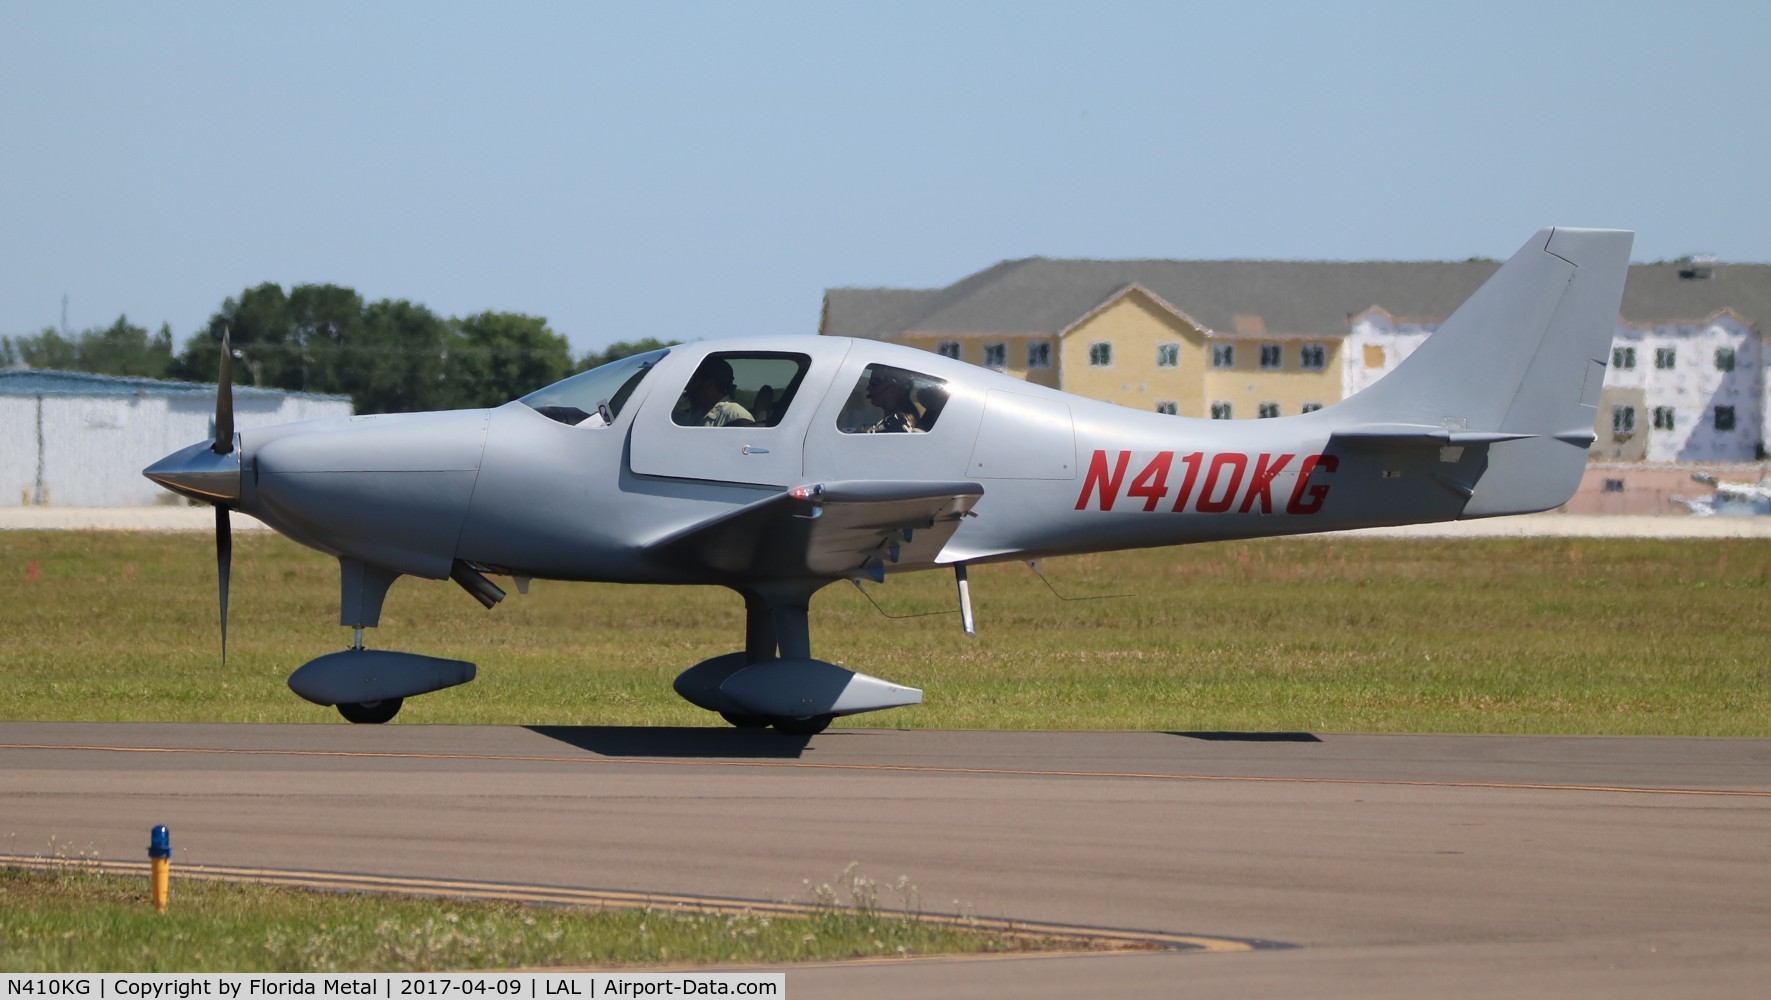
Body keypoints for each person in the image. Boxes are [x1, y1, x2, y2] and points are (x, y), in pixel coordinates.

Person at [681, 358, 753, 427]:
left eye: (694, 382)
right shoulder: (698, 415)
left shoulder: (735, 415)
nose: (688, 389)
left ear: (709, 384)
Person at [864, 367, 922, 433]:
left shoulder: (899, 420)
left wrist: (862, 429)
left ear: (895, 386)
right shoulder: (903, 414)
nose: (868, 388)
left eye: (875, 382)